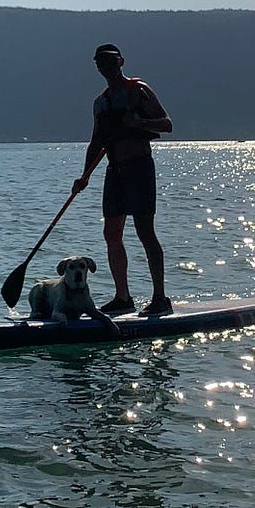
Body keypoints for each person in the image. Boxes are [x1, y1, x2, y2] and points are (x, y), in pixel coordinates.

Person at [71, 43, 173, 317]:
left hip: (140, 168)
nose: (105, 66)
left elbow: (167, 124)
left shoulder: (138, 90)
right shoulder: (101, 102)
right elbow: (96, 142)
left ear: (121, 62)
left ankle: (160, 298)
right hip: (114, 172)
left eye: (110, 61)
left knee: (144, 231)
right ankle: (123, 297)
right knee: (111, 233)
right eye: (100, 63)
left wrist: (138, 123)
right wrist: (84, 175)